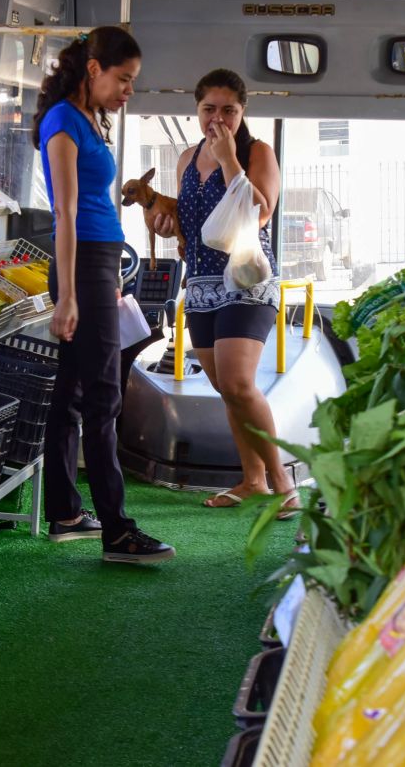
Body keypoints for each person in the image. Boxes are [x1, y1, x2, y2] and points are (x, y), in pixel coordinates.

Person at [34, 26, 176, 563]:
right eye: (124, 79)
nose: (128, 91)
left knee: (72, 392)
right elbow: (65, 212)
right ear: (94, 69)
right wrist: (70, 295)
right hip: (81, 265)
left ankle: (66, 513)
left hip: (98, 262)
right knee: (103, 396)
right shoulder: (62, 122)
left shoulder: (90, 118)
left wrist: (108, 273)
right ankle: (117, 531)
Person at [153, 68, 300, 515]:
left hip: (246, 281)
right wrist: (166, 224)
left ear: (243, 112)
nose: (218, 118)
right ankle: (252, 479)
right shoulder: (186, 158)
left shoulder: (256, 152)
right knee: (226, 389)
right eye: (209, 109)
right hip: (200, 285)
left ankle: (282, 481)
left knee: (238, 382)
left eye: (229, 110)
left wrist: (229, 160)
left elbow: (260, 212)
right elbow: (191, 225)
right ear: (196, 110)